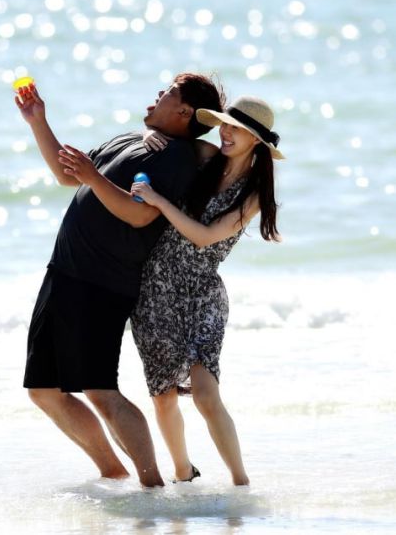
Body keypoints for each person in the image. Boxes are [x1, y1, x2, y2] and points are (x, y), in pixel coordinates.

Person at [15, 73, 224, 487]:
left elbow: (141, 214)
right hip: (64, 272)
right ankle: (112, 471)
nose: (157, 94)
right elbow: (67, 175)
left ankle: (151, 484)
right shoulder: (132, 138)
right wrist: (38, 120)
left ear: (184, 111)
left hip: (102, 282)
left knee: (100, 390)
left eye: (167, 92)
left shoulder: (176, 157)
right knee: (43, 390)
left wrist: (94, 176)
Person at [129, 96, 285, 485]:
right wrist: (148, 134)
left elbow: (204, 237)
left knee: (205, 393)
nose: (226, 133)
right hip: (154, 289)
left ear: (256, 140)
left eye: (237, 129)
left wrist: (158, 201)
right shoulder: (204, 156)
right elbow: (164, 137)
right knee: (163, 395)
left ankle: (241, 482)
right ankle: (183, 473)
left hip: (202, 294)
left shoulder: (253, 195)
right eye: (225, 124)